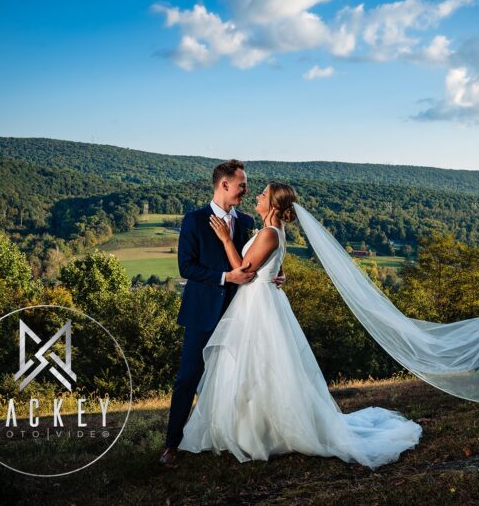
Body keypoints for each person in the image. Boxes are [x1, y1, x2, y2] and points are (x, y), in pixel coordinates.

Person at [177, 182, 422, 470]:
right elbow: (271, 265)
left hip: (259, 305)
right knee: (254, 366)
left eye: (263, 195)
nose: (257, 196)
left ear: (275, 205)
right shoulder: (268, 230)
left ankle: (265, 431)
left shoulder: (269, 233)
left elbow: (243, 270)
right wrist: (278, 273)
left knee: (262, 366)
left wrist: (225, 240)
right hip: (256, 301)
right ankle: (250, 426)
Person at [160, 160, 284, 468]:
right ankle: (172, 445)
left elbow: (256, 259)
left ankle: (227, 435)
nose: (246, 189)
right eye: (242, 184)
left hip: (240, 312)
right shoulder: (195, 220)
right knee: (188, 377)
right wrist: (225, 277)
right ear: (223, 185)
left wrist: (277, 275)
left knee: (236, 377)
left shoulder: (244, 221)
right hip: (202, 310)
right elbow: (186, 267)